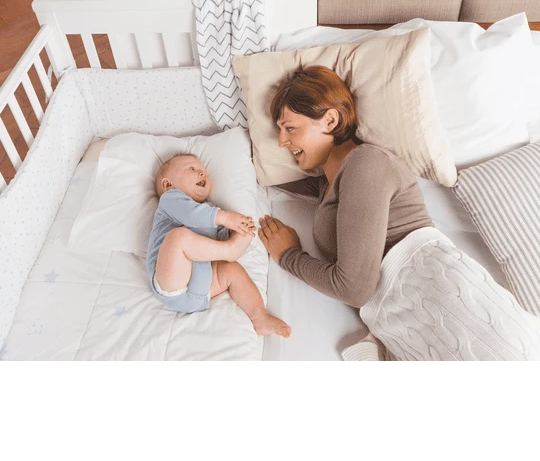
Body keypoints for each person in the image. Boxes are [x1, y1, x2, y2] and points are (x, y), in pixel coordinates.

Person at [257, 65, 434, 308]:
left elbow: (354, 289)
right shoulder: (326, 184)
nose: (281, 142)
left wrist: (288, 255)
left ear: (330, 120)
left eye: (290, 128)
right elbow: (263, 173)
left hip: (439, 295)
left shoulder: (367, 162)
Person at [147, 153, 291, 338]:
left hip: (201, 291)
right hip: (170, 282)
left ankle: (259, 317)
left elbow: (215, 241)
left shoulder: (210, 211)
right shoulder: (170, 199)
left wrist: (238, 232)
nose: (202, 173)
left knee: (232, 270)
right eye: (192, 169)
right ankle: (230, 251)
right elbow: (192, 215)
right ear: (168, 184)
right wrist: (224, 218)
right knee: (178, 237)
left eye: (203, 171)